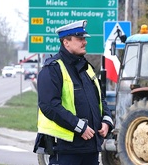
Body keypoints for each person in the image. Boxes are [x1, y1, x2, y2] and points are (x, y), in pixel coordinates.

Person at [34, 20, 114, 165]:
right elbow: (49, 105)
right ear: (66, 42)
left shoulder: (87, 68)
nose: (84, 42)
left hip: (90, 149)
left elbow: (100, 100)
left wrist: (107, 121)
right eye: (80, 39)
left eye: (84, 39)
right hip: (65, 150)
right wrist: (79, 126)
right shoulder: (52, 69)